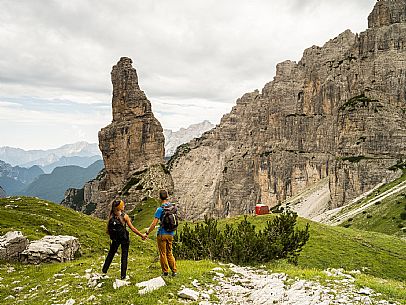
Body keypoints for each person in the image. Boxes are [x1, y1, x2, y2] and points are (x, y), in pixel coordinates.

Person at [102, 199, 146, 279]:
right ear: (120, 207)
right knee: (124, 256)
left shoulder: (111, 215)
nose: (124, 206)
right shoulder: (125, 216)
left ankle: (104, 270)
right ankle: (123, 276)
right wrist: (142, 235)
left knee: (111, 254)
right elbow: (132, 228)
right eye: (123, 205)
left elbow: (108, 228)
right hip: (124, 238)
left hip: (115, 239)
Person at [145, 190, 177, 276]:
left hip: (162, 234)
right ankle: (174, 271)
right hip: (171, 233)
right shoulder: (173, 208)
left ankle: (165, 272)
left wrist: (147, 232)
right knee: (169, 252)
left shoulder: (160, 209)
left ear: (159, 197)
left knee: (163, 253)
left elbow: (154, 223)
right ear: (167, 196)